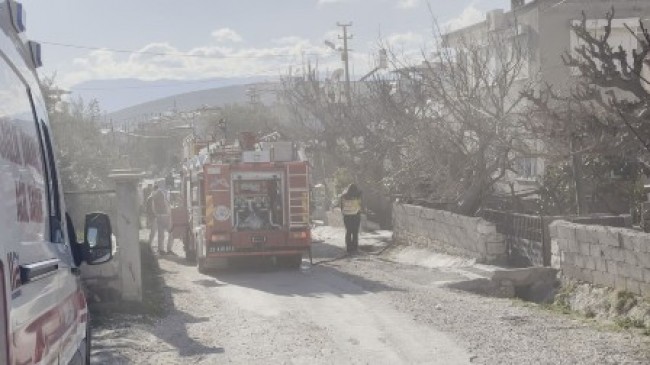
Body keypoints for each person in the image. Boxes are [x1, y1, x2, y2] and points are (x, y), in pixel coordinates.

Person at [147, 184, 171, 254]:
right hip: (158, 216)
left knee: (159, 233)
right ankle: (161, 249)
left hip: (157, 216)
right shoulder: (154, 197)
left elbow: (152, 208)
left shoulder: (153, 197)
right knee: (157, 233)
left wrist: (156, 214)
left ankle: (160, 249)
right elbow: (152, 208)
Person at [340, 183, 362, 254]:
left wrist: (344, 213)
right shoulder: (358, 196)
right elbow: (360, 205)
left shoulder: (343, 196)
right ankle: (355, 248)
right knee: (355, 232)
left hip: (347, 217)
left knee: (348, 231)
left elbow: (341, 207)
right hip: (356, 216)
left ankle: (349, 248)